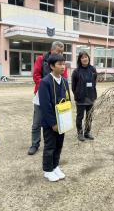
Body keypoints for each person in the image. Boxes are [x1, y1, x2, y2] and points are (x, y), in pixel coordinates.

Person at [28, 41, 68, 155]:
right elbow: (36, 75)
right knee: (37, 122)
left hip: (56, 97)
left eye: (62, 52)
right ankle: (35, 144)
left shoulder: (61, 63)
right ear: (52, 50)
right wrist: (46, 87)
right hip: (41, 95)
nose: (60, 53)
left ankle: (52, 143)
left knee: (54, 120)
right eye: (58, 51)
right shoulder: (41, 59)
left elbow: (64, 78)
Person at [38, 54, 70, 182]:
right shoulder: (45, 82)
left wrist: (67, 119)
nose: (63, 67)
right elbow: (45, 105)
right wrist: (53, 123)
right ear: (52, 66)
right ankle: (47, 170)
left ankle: (55, 166)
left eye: (64, 64)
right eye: (60, 64)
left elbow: (68, 99)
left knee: (59, 145)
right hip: (50, 123)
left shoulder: (64, 81)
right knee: (50, 146)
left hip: (62, 120)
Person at [71, 51, 97, 141]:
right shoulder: (76, 71)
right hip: (80, 98)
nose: (85, 59)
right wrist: (77, 94)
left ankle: (87, 132)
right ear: (80, 60)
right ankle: (80, 133)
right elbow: (73, 87)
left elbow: (94, 83)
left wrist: (92, 93)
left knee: (89, 117)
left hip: (90, 97)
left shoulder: (93, 69)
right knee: (80, 117)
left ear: (88, 58)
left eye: (86, 57)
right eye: (82, 57)